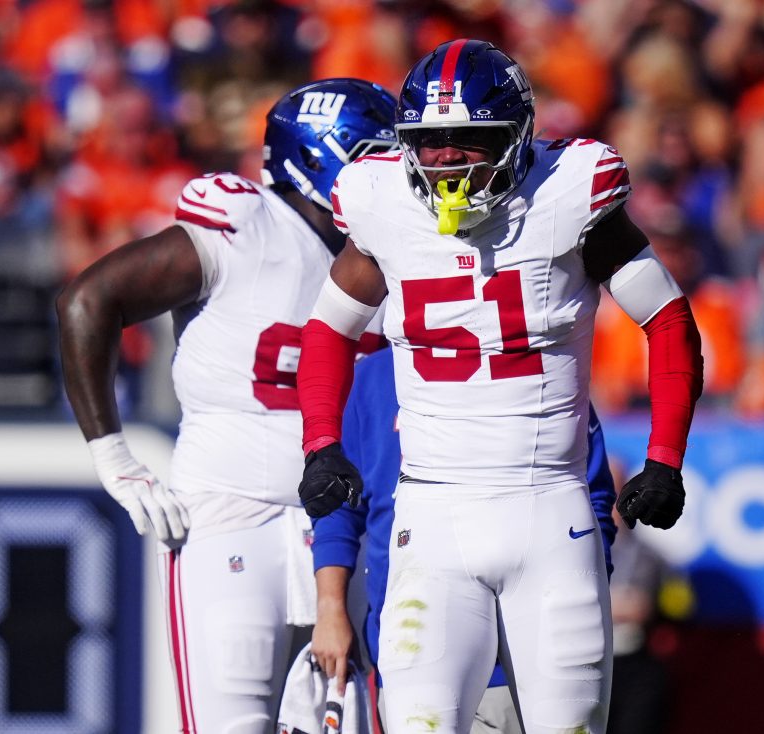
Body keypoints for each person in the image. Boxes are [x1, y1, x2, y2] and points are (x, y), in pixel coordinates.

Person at [293, 39, 704, 734]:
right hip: (432, 518)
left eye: (469, 139)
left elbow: (668, 321)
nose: (448, 158)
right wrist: (320, 444)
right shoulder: (381, 201)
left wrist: (665, 457)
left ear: (515, 137)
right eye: (432, 141)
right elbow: (328, 331)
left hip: (549, 511)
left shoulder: (568, 195)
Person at [56, 78, 397, 734]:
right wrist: (111, 453)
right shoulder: (245, 223)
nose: (392, 177)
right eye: (373, 158)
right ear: (323, 158)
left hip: (346, 524)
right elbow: (87, 300)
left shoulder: (391, 248)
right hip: (231, 516)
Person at [309, 346, 618, 733]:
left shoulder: (538, 352)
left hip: (520, 663)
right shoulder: (372, 377)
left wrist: (571, 595)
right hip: (413, 644)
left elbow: (592, 495)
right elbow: (338, 507)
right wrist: (330, 609)